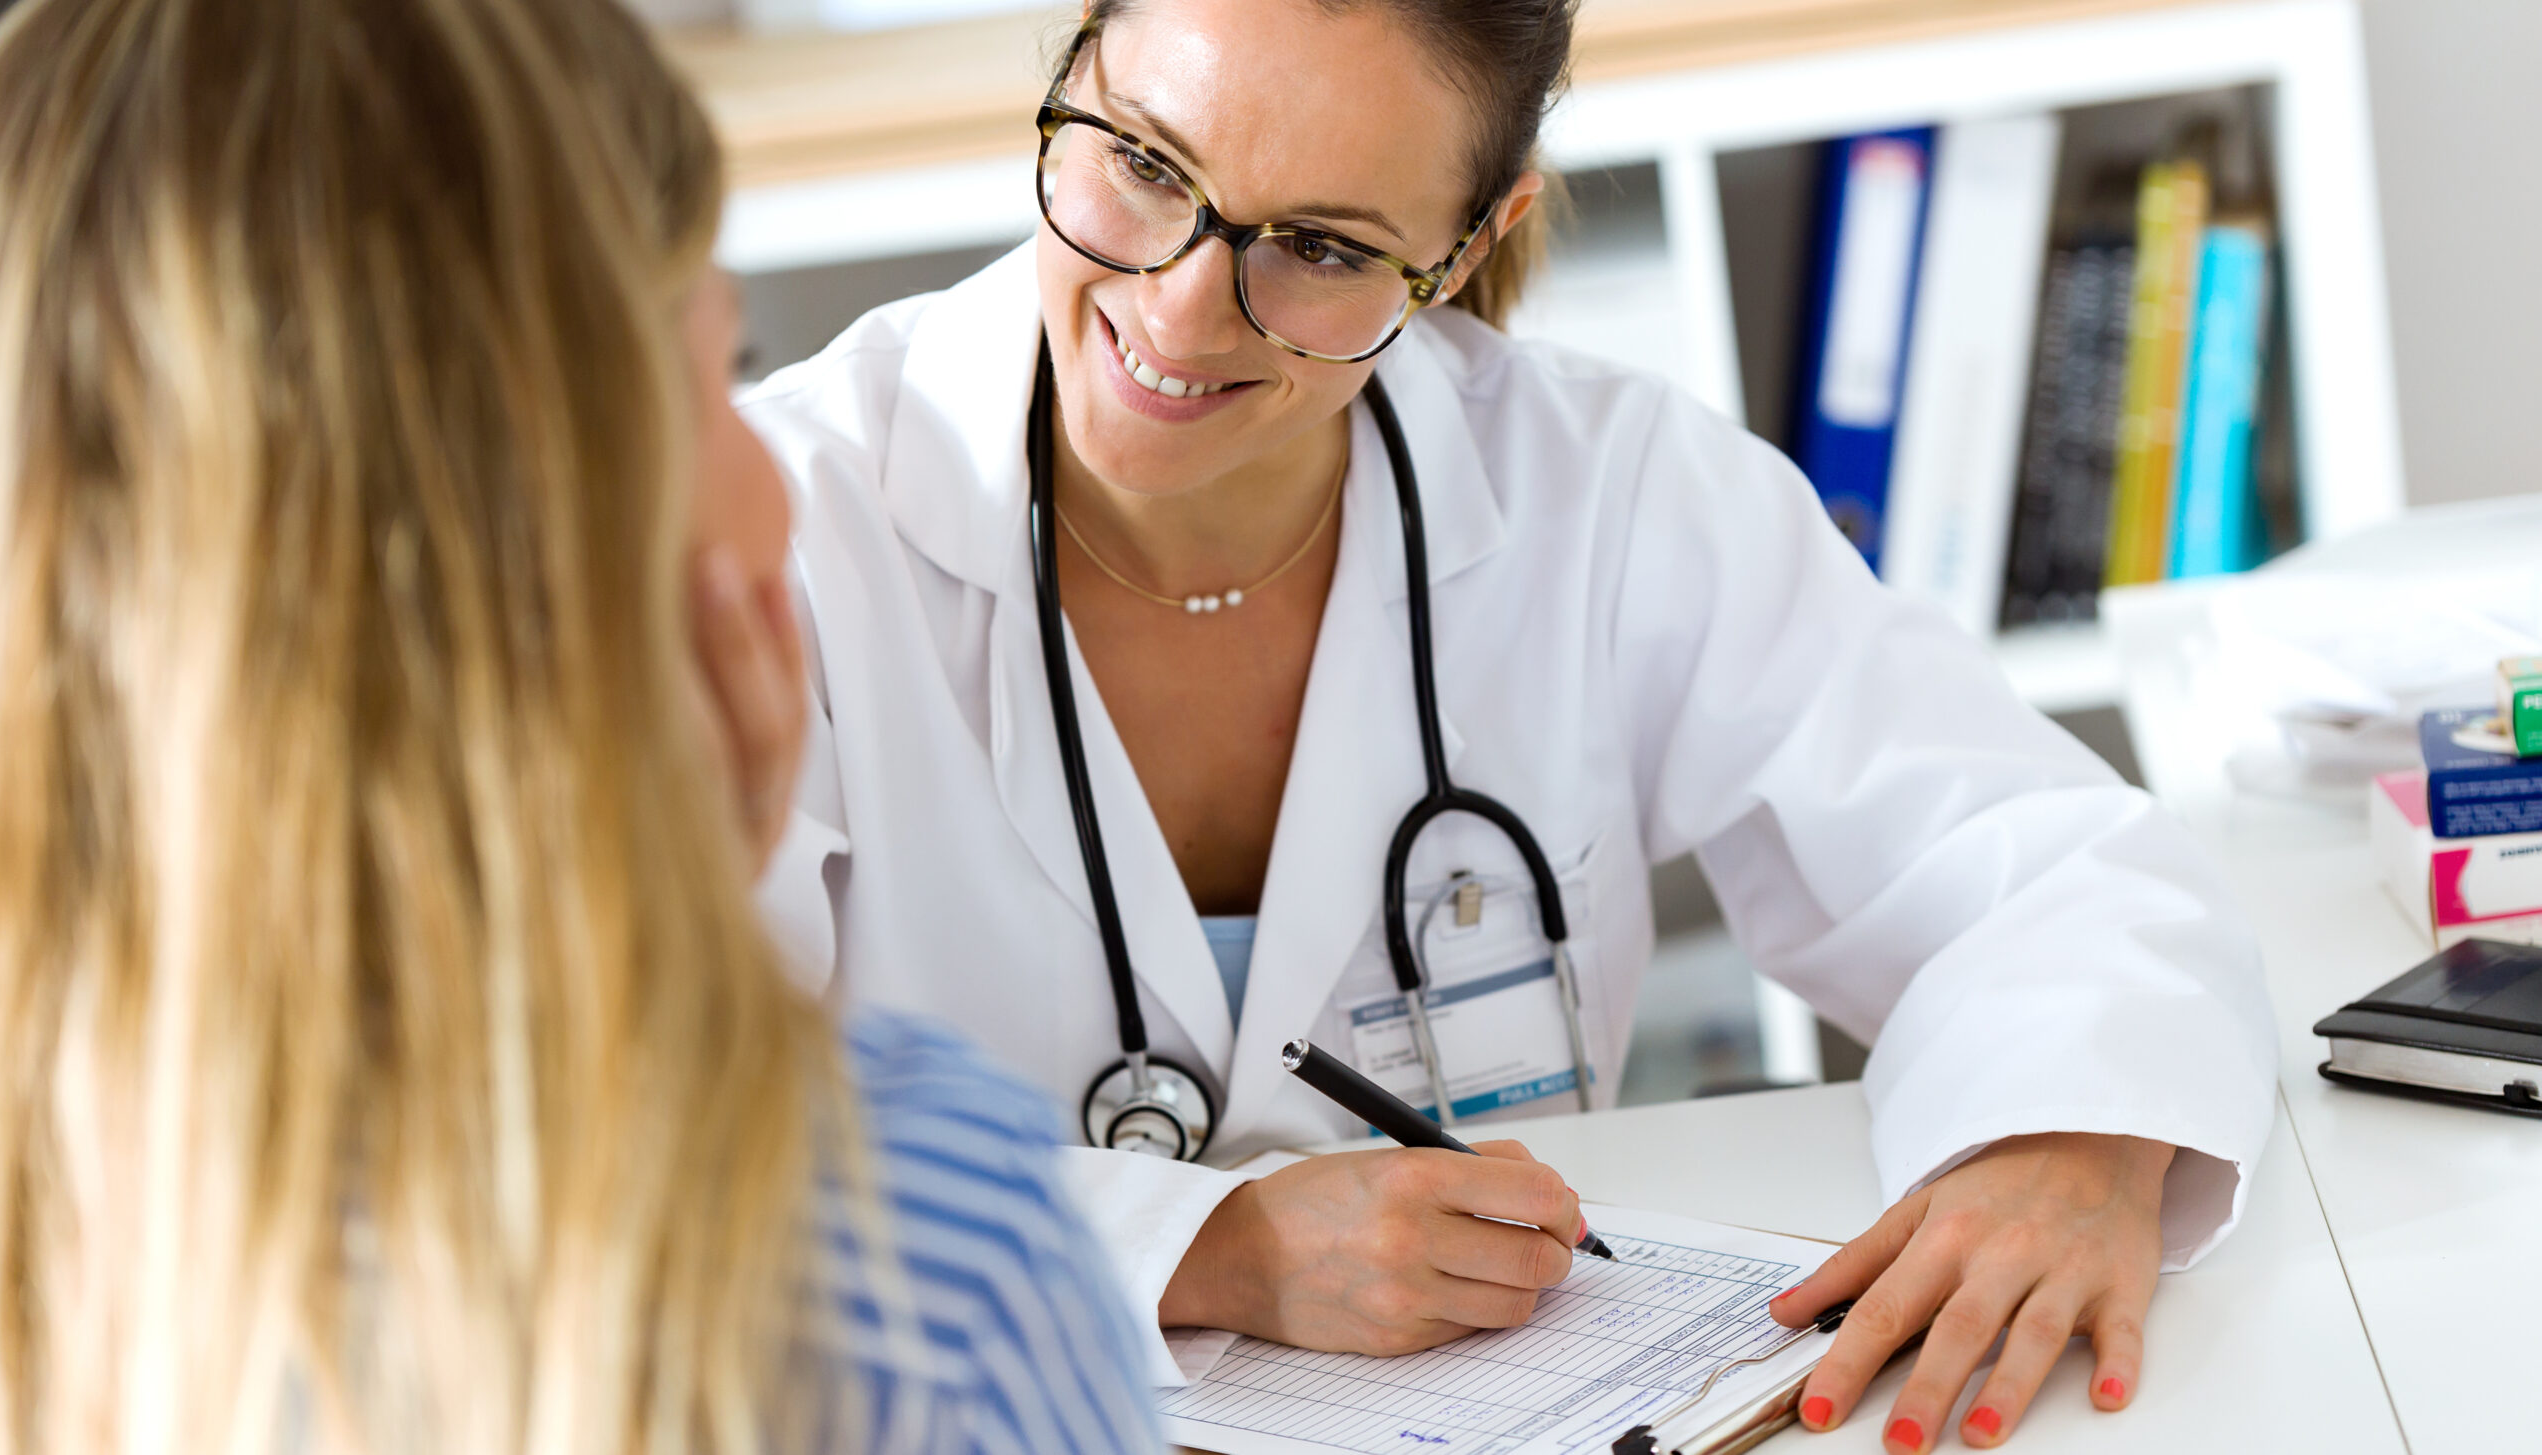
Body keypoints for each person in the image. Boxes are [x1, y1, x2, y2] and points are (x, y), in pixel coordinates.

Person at [737, 0, 2278, 1448]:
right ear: (1071, 66)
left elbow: (2042, 866)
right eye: (1144, 161)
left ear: (1471, 242)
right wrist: (1206, 1249)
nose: (1182, 305)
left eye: (1324, 246)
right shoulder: (765, 530)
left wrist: (2066, 1139)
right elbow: (609, 1137)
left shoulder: (1606, 492)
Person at [0, 2, 1161, 1453]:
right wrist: (696, 984)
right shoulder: (903, 1249)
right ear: (561, 523)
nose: (773, 475)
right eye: (718, 372)